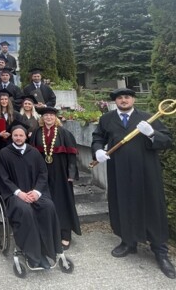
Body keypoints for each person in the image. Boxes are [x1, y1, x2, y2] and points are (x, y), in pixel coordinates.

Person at [91, 88, 175, 279]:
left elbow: (167, 140)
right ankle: (128, 242)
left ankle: (160, 251)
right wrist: (98, 150)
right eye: (119, 98)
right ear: (115, 101)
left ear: (133, 99)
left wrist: (152, 133)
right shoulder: (107, 119)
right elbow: (98, 137)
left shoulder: (147, 118)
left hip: (146, 172)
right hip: (119, 172)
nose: (123, 100)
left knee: (152, 206)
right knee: (123, 204)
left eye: (127, 97)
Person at [0, 125, 63, 269]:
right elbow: (4, 178)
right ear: (11, 136)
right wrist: (19, 193)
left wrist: (37, 192)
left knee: (48, 206)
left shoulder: (34, 152)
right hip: (15, 195)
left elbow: (43, 173)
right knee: (25, 211)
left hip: (34, 192)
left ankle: (47, 250)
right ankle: (33, 255)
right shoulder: (4, 154)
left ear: (26, 136)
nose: (18, 138)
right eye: (15, 135)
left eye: (21, 135)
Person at [30, 107, 81, 250]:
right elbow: (31, 155)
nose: (48, 118)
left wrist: (71, 173)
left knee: (62, 202)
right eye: (46, 115)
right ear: (42, 118)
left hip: (61, 172)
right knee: (44, 201)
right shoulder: (36, 133)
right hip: (42, 173)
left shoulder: (64, 133)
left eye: (51, 115)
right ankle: (47, 232)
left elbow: (72, 155)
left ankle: (65, 234)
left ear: (55, 117)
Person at [0, 88, 25, 201]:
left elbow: (22, 129)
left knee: (12, 171)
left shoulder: (16, 115)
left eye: (6, 99)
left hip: (12, 148)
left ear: (9, 100)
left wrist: (12, 134)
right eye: (2, 99)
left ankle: (13, 196)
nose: (4, 101)